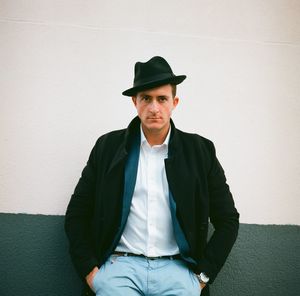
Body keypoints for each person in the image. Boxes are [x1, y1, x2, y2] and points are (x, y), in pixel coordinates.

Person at [65, 56, 239, 296]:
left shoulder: (200, 151)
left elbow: (228, 219)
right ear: (135, 102)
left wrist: (203, 277)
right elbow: (77, 214)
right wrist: (90, 272)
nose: (154, 108)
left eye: (162, 99)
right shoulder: (108, 147)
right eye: (146, 98)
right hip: (119, 269)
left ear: (174, 102)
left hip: (179, 271)